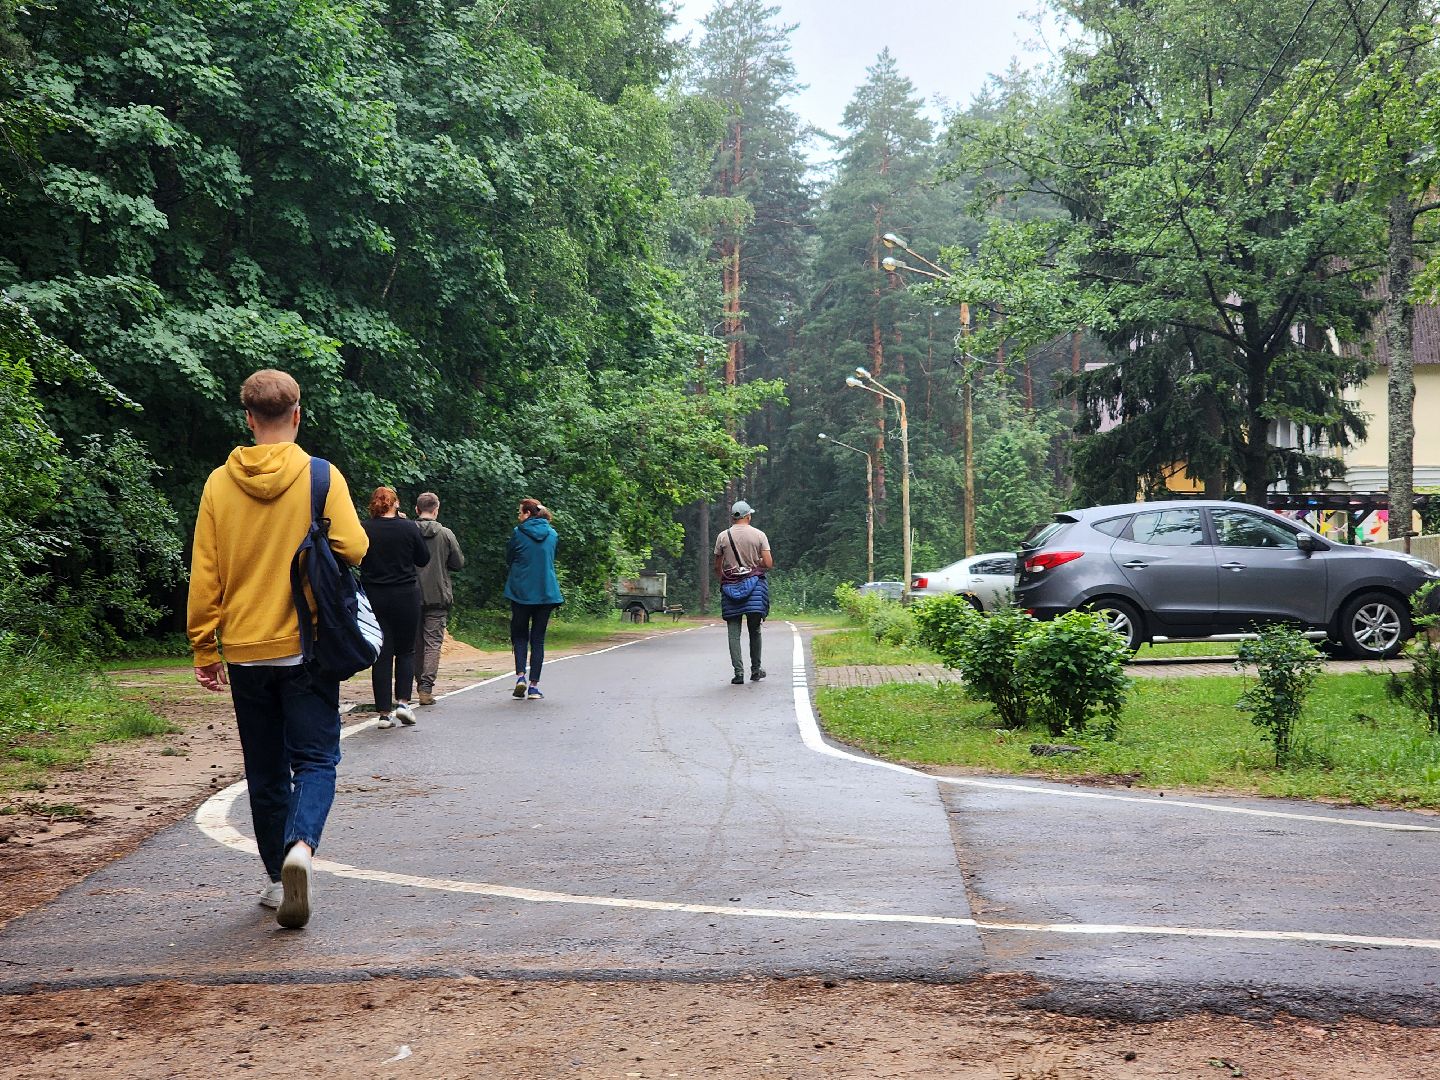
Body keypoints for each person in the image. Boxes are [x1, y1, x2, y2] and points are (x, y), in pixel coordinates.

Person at [188, 369, 368, 929]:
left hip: (243, 650)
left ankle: (274, 877)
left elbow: (206, 571)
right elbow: (355, 547)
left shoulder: (219, 483)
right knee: (315, 759)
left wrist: (203, 645)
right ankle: (302, 848)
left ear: (248, 418)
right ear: (296, 414)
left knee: (265, 772)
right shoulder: (320, 475)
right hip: (307, 647)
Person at [361, 486, 430, 729]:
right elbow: (423, 559)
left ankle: (383, 713)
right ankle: (402, 702)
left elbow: (355, 556)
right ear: (396, 503)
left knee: (381, 652)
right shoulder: (409, 527)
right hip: (406, 594)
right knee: (406, 650)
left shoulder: (364, 528)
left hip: (375, 595)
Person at [504, 497, 563, 700]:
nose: (519, 516)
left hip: (521, 592)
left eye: (520, 512)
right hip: (546, 592)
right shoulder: (552, 534)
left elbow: (509, 557)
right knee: (538, 639)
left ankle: (520, 676)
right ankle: (534, 687)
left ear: (528, 514)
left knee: (519, 635)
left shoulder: (518, 533)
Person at [412, 492, 465, 706]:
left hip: (412, 594)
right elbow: (458, 563)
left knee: (415, 644)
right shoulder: (445, 534)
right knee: (433, 643)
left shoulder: (408, 531)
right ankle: (426, 688)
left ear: (417, 509)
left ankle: (415, 684)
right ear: (436, 509)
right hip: (438, 595)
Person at [714, 499, 773, 685]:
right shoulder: (759, 535)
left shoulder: (723, 537)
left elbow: (718, 566)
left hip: (730, 586)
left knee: (733, 633)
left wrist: (725, 580)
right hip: (754, 585)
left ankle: (738, 673)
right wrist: (756, 564)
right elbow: (768, 563)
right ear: (748, 516)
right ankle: (756, 670)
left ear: (733, 517)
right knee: (755, 630)